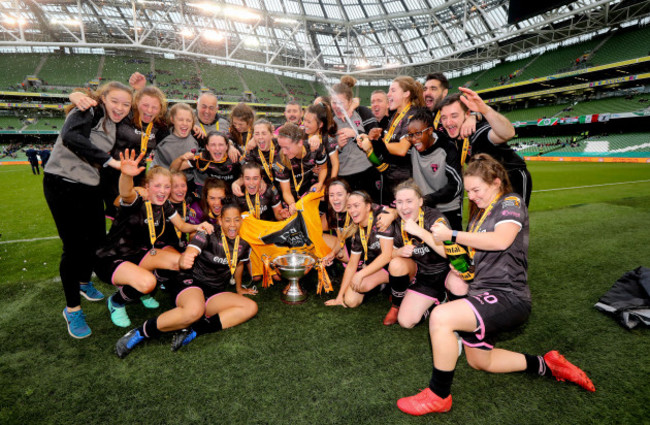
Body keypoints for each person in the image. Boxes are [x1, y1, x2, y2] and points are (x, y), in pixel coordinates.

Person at [396, 154, 594, 416]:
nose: (473, 196)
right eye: (468, 192)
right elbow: (484, 254)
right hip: (482, 292)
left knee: (441, 317)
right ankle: (546, 364)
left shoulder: (510, 202)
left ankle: (439, 395)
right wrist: (466, 267)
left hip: (509, 295)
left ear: (496, 182)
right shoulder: (479, 216)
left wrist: (451, 234)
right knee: (481, 361)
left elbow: (501, 240)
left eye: (477, 190)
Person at [43, 81, 133, 338]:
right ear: (102, 97)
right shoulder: (88, 109)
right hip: (62, 184)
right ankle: (72, 309)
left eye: (126, 104)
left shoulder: (113, 123)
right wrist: (108, 160)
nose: (120, 107)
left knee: (96, 243)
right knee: (73, 248)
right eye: (115, 101)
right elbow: (72, 137)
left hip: (89, 186)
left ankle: (84, 282)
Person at [115, 199, 258, 358]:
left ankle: (195, 329)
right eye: (228, 220)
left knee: (250, 307)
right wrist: (190, 253)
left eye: (237, 219)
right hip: (191, 281)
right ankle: (140, 332)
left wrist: (239, 288)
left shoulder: (244, 244)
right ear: (219, 220)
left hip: (214, 291)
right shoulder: (208, 232)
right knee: (193, 311)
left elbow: (238, 265)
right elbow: (194, 246)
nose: (233, 224)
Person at [95, 150, 214, 328]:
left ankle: (139, 290)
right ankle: (117, 302)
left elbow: (181, 226)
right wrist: (126, 175)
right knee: (148, 283)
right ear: (147, 187)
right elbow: (126, 193)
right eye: (157, 186)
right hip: (110, 257)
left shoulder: (164, 204)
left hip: (138, 254)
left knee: (179, 262)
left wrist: (198, 226)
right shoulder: (137, 201)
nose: (163, 191)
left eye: (167, 187)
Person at [439, 89, 532, 206]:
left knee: (512, 220)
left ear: (467, 114)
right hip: (486, 184)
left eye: (454, 116)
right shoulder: (451, 136)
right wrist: (476, 116)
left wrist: (484, 111)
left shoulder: (479, 131)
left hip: (512, 178)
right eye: (444, 118)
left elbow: (508, 133)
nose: (448, 122)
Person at [386, 179, 451, 327]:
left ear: (420, 202)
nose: (404, 207)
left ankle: (447, 294)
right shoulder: (396, 223)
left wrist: (420, 232)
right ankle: (437, 301)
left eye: (409, 201)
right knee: (406, 322)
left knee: (458, 283)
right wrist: (399, 252)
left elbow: (448, 253)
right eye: (400, 202)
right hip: (423, 277)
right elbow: (387, 254)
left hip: (446, 272)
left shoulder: (434, 218)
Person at [362, 76, 424, 206]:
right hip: (391, 180)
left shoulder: (413, 115)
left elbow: (402, 149)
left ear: (406, 94)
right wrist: (373, 139)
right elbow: (386, 146)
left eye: (393, 90)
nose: (388, 94)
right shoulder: (395, 116)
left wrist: (374, 143)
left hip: (406, 183)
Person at [328, 191, 393, 308]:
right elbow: (352, 264)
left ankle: (397, 285)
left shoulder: (381, 219)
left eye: (356, 206)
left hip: (396, 264)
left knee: (362, 280)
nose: (352, 210)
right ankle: (380, 285)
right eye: (349, 207)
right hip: (377, 266)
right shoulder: (358, 230)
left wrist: (360, 274)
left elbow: (387, 256)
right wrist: (339, 297)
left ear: (368, 206)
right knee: (350, 301)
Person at [406, 108, 463, 230]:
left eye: (418, 133)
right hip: (425, 209)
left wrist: (429, 198)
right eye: (410, 135)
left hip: (449, 210)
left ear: (430, 131)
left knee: (453, 247)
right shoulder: (412, 147)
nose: (414, 139)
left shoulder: (447, 148)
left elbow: (456, 185)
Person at [330, 82, 380, 199]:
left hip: (366, 170)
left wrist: (354, 134)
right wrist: (338, 146)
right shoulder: (330, 121)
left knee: (369, 207)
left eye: (340, 103)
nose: (337, 106)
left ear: (350, 101)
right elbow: (327, 148)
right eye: (333, 102)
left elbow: (375, 139)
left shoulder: (361, 113)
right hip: (344, 175)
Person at [274, 123, 328, 216]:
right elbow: (286, 191)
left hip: (309, 191)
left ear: (300, 142)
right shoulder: (280, 160)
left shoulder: (315, 148)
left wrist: (320, 182)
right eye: (281, 147)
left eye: (287, 147)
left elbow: (324, 168)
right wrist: (291, 204)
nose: (284, 152)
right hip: (290, 197)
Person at [171, 131, 241, 196]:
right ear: (207, 147)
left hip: (231, 195)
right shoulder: (201, 158)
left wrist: (237, 183)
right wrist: (181, 158)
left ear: (227, 147)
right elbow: (173, 169)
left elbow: (248, 174)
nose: (217, 148)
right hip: (209, 196)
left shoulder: (235, 157)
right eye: (213, 145)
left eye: (221, 145)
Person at [151, 103, 199, 170]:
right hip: (164, 177)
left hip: (188, 179)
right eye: (180, 120)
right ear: (172, 120)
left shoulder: (197, 136)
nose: (185, 123)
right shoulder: (161, 135)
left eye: (188, 120)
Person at [303, 102, 339, 179]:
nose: (305, 124)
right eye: (304, 120)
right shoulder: (301, 135)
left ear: (320, 124)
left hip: (326, 178)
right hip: (307, 180)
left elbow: (335, 164)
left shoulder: (328, 139)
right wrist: (309, 168)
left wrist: (331, 183)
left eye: (309, 122)